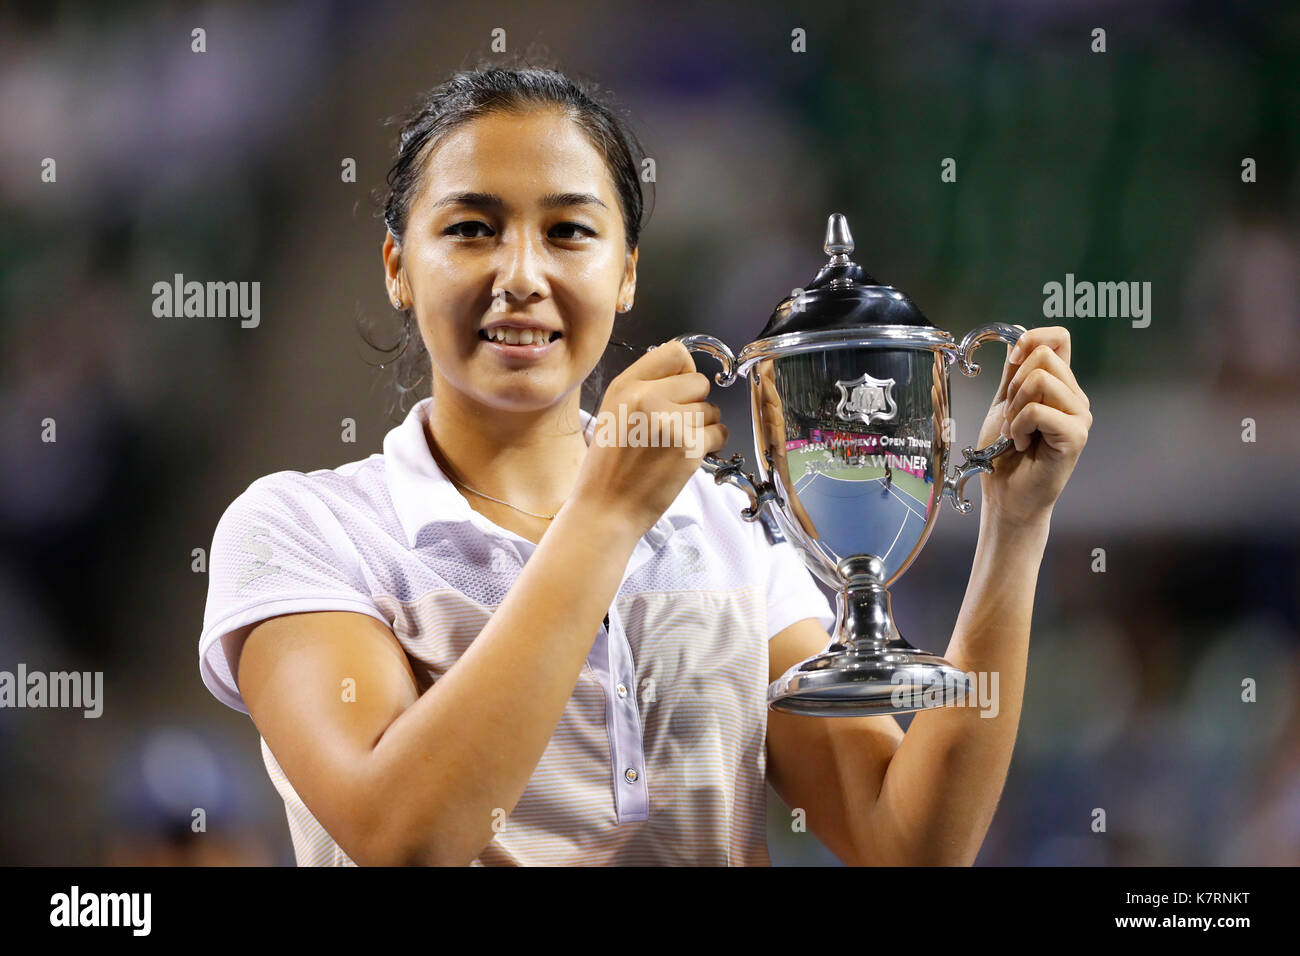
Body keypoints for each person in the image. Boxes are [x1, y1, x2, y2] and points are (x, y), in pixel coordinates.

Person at [198, 62, 1092, 867]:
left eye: (569, 232)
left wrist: (1015, 531)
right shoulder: (300, 530)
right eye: (472, 229)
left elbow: (908, 844)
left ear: (626, 274)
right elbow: (405, 838)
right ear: (399, 266)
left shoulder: (727, 527)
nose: (520, 274)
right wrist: (605, 517)